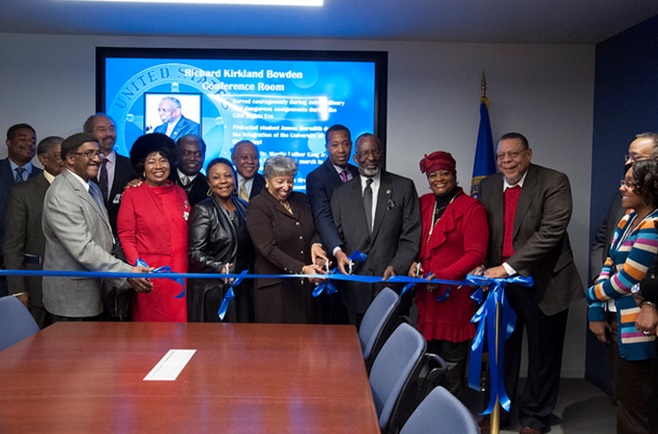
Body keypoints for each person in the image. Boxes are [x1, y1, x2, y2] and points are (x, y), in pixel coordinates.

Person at [477, 132, 583, 434]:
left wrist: (507, 267)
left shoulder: (554, 181)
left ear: (528, 154)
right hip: (502, 286)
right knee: (502, 352)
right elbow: (482, 230)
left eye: (513, 154)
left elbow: (550, 234)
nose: (506, 161)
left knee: (543, 355)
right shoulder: (488, 185)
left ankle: (536, 417)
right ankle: (498, 412)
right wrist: (481, 263)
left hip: (546, 282)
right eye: (501, 156)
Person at [41, 133, 152, 322]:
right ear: (70, 159)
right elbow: (83, 249)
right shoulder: (62, 195)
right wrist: (126, 272)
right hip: (73, 300)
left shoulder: (91, 187)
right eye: (89, 153)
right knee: (76, 352)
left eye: (98, 153)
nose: (97, 159)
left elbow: (104, 235)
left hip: (96, 291)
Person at [408, 151, 489, 399]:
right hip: (428, 296)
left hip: (455, 295)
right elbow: (412, 241)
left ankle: (450, 411)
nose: (439, 179)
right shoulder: (423, 203)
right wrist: (413, 262)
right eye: (433, 175)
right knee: (430, 355)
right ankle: (430, 407)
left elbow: (476, 253)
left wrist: (443, 276)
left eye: (445, 173)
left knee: (453, 358)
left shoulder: (472, 208)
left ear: (454, 175)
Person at [587, 159, 658, 434]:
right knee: (622, 400)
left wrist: (590, 292)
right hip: (615, 319)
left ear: (649, 189)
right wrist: (595, 307)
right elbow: (608, 263)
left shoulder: (653, 224)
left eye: (630, 184)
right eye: (623, 182)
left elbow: (628, 278)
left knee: (635, 408)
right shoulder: (627, 218)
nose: (622, 189)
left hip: (636, 328)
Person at [331, 133, 421, 326]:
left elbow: (411, 236)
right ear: (356, 158)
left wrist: (396, 266)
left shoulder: (403, 187)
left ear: (381, 154)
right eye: (364, 153)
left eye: (375, 152)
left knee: (391, 350)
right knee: (355, 352)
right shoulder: (341, 195)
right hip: (354, 291)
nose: (371, 158)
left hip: (391, 285)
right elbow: (337, 236)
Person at [117, 133, 190, 322]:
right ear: (143, 166)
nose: (158, 166)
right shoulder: (132, 194)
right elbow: (126, 236)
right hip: (149, 274)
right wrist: (138, 267)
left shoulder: (180, 192)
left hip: (181, 271)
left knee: (180, 327)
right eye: (151, 161)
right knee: (150, 330)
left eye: (163, 160)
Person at [246, 156, 327, 324]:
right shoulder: (258, 205)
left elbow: (315, 229)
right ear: (267, 180)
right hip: (275, 290)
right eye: (280, 181)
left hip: (304, 289)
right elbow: (268, 248)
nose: (286, 187)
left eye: (290, 181)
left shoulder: (301, 199)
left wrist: (316, 245)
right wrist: (302, 269)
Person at [4, 136, 64, 327]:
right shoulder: (23, 192)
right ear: (43, 159)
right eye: (59, 156)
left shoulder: (84, 188)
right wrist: (17, 289)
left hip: (73, 288)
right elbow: (13, 245)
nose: (66, 161)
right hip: (36, 285)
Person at [188, 157, 253, 322]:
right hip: (213, 289)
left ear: (234, 178)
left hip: (242, 287)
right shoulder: (203, 210)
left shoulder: (244, 207)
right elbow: (195, 252)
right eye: (216, 177)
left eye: (227, 176)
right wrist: (219, 268)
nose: (223, 181)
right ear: (209, 183)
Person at [306, 124, 359, 324]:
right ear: (326, 147)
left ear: (351, 145)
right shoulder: (316, 177)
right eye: (335, 145)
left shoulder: (358, 172)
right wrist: (337, 249)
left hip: (360, 254)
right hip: (332, 253)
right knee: (335, 317)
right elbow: (322, 217)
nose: (341, 150)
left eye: (345, 144)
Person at [0, 124, 41, 297]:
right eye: (22, 139)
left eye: (33, 140)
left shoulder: (43, 177)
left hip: (32, 263)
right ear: (8, 142)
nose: (29, 144)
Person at [84, 113, 138, 234]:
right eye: (102, 130)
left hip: (122, 239)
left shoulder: (131, 167)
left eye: (112, 128)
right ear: (89, 134)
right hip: (88, 237)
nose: (109, 134)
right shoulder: (81, 167)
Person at [169, 134, 208, 206]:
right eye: (186, 153)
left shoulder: (208, 186)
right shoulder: (165, 178)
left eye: (198, 154)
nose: (192, 158)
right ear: (177, 154)